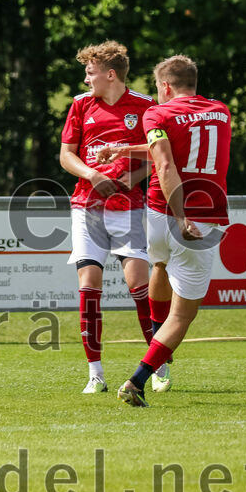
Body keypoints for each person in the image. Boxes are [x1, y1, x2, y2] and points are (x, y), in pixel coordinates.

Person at [106, 55, 231, 407]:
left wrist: (174, 215)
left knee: (159, 266)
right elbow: (171, 154)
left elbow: (164, 158)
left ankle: (158, 346)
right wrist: (184, 217)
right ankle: (138, 379)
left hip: (160, 213)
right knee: (183, 315)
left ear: (164, 86)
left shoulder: (157, 114)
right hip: (199, 217)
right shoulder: (221, 111)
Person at [58, 41, 159, 394]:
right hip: (86, 206)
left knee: (139, 287)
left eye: (91, 72)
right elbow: (66, 156)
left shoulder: (146, 106)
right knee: (89, 285)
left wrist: (129, 179)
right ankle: (95, 374)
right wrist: (92, 175)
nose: (86, 79)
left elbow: (158, 153)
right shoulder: (80, 105)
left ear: (110, 74)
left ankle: (156, 368)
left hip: (129, 207)